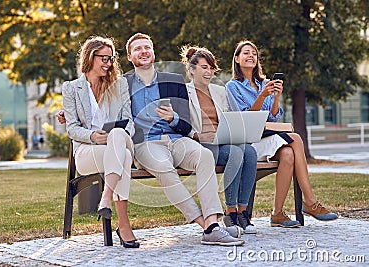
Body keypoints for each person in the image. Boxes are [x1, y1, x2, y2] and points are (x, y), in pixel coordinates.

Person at [124, 33, 244, 246]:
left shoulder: (173, 81)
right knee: (164, 169)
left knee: (205, 156)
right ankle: (208, 227)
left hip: (176, 139)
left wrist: (173, 118)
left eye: (147, 47)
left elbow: (187, 126)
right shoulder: (123, 83)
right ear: (130, 57)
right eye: (137, 49)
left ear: (153, 52)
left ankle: (212, 222)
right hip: (146, 143)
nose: (143, 51)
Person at [225, 40, 338, 227]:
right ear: (237, 59)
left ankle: (277, 213)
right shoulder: (233, 87)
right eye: (246, 53)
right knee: (295, 138)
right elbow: (245, 120)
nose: (251, 55)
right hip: (249, 143)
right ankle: (310, 202)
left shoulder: (264, 83)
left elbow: (273, 118)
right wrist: (262, 97)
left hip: (267, 137)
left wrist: (276, 97)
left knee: (287, 154)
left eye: (254, 53)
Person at [62, 36, 139, 248]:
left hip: (119, 142)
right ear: (90, 57)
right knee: (122, 157)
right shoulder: (71, 88)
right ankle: (123, 225)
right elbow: (72, 128)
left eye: (111, 59)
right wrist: (92, 136)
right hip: (88, 152)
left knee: (117, 135)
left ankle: (106, 198)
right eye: (103, 58)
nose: (108, 63)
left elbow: (129, 122)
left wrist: (119, 134)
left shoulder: (119, 84)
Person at [180, 45, 258, 234]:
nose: (209, 71)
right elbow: (180, 123)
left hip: (222, 139)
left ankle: (242, 213)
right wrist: (197, 135)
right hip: (201, 145)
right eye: (204, 67)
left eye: (211, 68)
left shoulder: (219, 91)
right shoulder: (183, 91)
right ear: (192, 69)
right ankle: (230, 213)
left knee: (250, 152)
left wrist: (234, 130)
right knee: (237, 153)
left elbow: (232, 117)